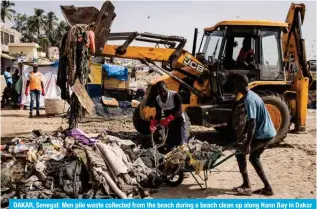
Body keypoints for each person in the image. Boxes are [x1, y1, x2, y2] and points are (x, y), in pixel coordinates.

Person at [232, 74, 276, 196]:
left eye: (235, 84)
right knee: (254, 157)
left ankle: (247, 186)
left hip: (264, 133)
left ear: (241, 84)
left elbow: (252, 124)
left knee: (240, 153)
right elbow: (249, 123)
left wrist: (247, 144)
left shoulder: (250, 100)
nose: (234, 87)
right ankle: (268, 188)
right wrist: (244, 135)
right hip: (267, 131)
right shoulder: (250, 96)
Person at [149, 81, 188, 151]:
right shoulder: (158, 99)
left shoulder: (175, 95)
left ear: (167, 88)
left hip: (179, 121)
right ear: (158, 92)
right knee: (170, 146)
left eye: (164, 91)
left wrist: (168, 119)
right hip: (170, 124)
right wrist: (153, 123)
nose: (163, 93)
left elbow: (179, 111)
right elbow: (158, 114)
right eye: (161, 92)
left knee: (182, 145)